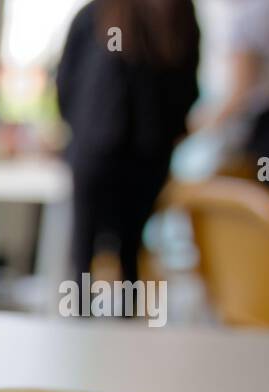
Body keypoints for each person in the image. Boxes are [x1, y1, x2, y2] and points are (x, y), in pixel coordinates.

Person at [56, 0, 201, 299]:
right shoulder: (168, 14)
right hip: (132, 151)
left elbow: (65, 81)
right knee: (124, 252)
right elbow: (187, 89)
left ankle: (84, 323)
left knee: (89, 251)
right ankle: (112, 324)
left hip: (110, 149)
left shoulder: (101, 13)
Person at [192, 0, 269, 197]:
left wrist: (198, 125)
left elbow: (240, 91)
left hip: (265, 116)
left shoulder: (240, 15)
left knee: (265, 190)